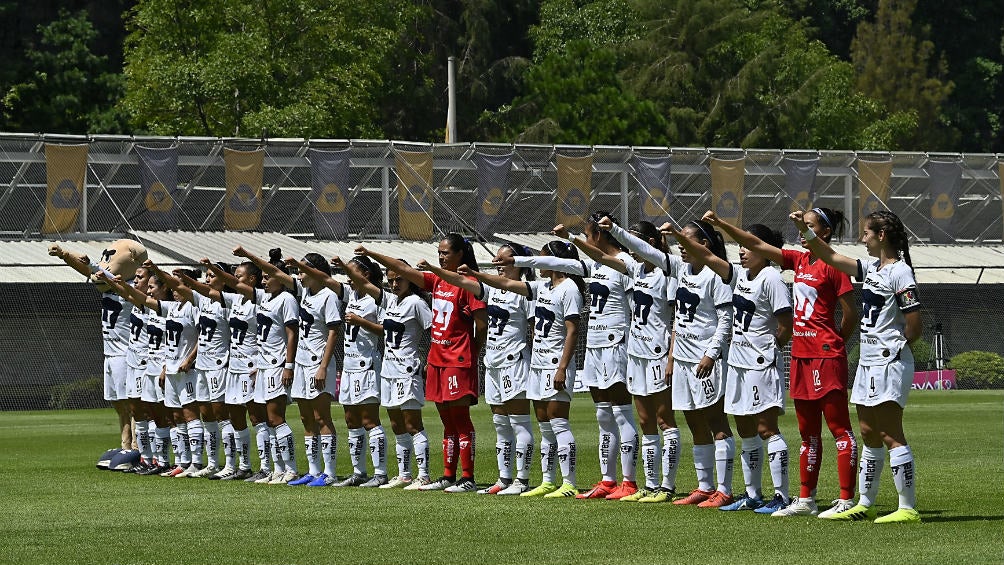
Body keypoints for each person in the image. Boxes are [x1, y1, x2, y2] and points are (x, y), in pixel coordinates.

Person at [704, 207, 859, 518]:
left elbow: (851, 311)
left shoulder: (834, 265)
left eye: (809, 227)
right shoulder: (799, 260)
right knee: (808, 432)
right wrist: (722, 224)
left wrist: (835, 340)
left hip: (824, 355)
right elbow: (757, 243)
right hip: (800, 355)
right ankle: (806, 499)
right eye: (801, 227)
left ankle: (846, 499)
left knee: (839, 429)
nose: (801, 232)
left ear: (824, 232)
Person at [790, 210, 922, 523]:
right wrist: (805, 232)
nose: (862, 239)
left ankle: (907, 508)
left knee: (891, 433)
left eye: (866, 233)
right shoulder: (872, 267)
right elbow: (831, 256)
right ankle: (865, 503)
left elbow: (915, 323)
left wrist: (895, 347)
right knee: (868, 432)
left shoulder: (900, 272)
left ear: (881, 236)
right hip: (867, 361)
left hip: (888, 361)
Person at [597, 218, 735, 508]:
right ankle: (705, 486)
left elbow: (725, 320)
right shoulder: (680, 268)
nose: (681, 247)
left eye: (686, 240)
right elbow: (643, 249)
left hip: (703, 359)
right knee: (694, 420)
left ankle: (724, 489)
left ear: (704, 244)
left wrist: (711, 353)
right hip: (683, 359)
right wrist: (614, 230)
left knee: (716, 421)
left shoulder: (715, 275)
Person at [662, 221, 794, 514]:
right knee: (745, 429)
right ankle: (752, 495)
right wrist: (677, 237)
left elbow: (786, 324)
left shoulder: (772, 278)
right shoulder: (740, 276)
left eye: (748, 246)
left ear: (764, 249)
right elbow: (708, 257)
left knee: (766, 428)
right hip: (737, 363)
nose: (743, 251)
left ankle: (782, 496)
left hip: (759, 365)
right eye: (740, 245)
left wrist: (769, 352)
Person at [518, 212, 639, 500]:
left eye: (586, 234)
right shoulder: (593, 266)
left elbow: (636, 311)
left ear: (598, 235)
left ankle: (629, 482)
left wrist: (569, 239)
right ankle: (607, 480)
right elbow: (558, 263)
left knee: (622, 414)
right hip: (595, 346)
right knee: (603, 416)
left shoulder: (624, 264)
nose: (585, 239)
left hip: (615, 344)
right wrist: (519, 261)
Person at [356, 233, 488, 493]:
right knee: (446, 420)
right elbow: (403, 269)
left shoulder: (469, 283)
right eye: (439, 252)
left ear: (460, 254)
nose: (441, 257)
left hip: (457, 359)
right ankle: (449, 476)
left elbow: (481, 324)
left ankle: (467, 477)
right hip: (437, 358)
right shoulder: (438, 280)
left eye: (446, 253)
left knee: (461, 418)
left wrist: (471, 351)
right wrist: (371, 254)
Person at [417, 243, 536, 495]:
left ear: (520, 264)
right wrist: (434, 269)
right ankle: (504, 479)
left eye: (503, 260)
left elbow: (537, 329)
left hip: (515, 362)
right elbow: (460, 280)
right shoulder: (490, 289)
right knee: (500, 423)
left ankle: (521, 480)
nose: (497, 263)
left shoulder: (527, 292)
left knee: (519, 423)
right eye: (495, 259)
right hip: (493, 362)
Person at [474, 240, 584, 497]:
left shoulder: (569, 289)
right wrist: (475, 273)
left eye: (544, 258)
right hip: (538, 364)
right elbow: (505, 284)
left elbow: (573, 331)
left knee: (559, 423)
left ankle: (569, 483)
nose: (539, 262)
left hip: (555, 364)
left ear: (555, 262)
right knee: (545, 425)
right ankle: (548, 480)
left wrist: (563, 367)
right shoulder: (542, 286)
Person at [585, 219, 682, 503]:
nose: (630, 248)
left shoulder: (668, 272)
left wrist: (672, 356)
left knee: (666, 421)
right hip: (635, 354)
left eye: (634, 241)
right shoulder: (636, 270)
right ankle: (650, 486)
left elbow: (676, 319)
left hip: (657, 353)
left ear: (649, 243)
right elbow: (602, 256)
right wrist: (573, 238)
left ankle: (667, 486)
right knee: (645, 421)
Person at [336, 257, 433, 490]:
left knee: (413, 424)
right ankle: (404, 474)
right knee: (397, 424)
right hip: (389, 369)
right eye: (391, 280)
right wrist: (345, 268)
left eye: (399, 278)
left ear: (410, 278)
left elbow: (433, 331)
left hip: (407, 369)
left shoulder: (417, 303)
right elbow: (363, 283)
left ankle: (424, 475)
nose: (394, 283)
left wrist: (429, 359)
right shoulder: (388, 300)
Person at [97, 264, 201, 478]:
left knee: (171, 417)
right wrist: (110, 280)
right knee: (145, 414)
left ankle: (180, 461)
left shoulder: (170, 309)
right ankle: (150, 459)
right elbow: (130, 293)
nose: (149, 289)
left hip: (162, 368)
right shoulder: (154, 306)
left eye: (153, 285)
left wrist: (169, 365)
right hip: (144, 367)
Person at [49, 244, 135, 456]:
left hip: (126, 353)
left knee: (133, 405)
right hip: (110, 352)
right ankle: (125, 445)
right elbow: (88, 270)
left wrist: (92, 266)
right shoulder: (108, 282)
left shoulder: (131, 286)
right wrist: (65, 255)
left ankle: (137, 447)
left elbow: (99, 274)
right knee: (119, 405)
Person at [177, 261, 258, 480]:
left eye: (212, 275)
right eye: (207, 275)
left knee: (226, 415)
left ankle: (235, 464)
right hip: (204, 366)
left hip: (221, 366)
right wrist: (178, 278)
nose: (208, 279)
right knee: (207, 414)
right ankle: (214, 463)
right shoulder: (205, 301)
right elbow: (192, 289)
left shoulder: (229, 302)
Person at [148, 263, 230, 478]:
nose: (175, 290)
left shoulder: (199, 305)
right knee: (181, 415)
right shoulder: (176, 307)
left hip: (203, 368)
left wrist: (190, 359)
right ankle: (187, 462)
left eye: (179, 286)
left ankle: (206, 462)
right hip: (186, 367)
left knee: (209, 415)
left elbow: (200, 337)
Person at [229, 246, 301, 484]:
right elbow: (236, 285)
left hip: (277, 365)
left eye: (269, 277)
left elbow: (292, 334)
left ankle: (291, 469)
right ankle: (277, 469)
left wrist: (288, 365)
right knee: (267, 421)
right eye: (264, 277)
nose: (265, 281)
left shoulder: (287, 299)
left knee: (276, 418)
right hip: (262, 365)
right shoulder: (265, 298)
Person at [316, 254, 388, 488]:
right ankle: (359, 472)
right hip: (349, 367)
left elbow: (385, 331)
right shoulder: (351, 295)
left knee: (369, 420)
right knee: (350, 420)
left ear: (365, 275)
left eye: (351, 273)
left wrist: (361, 322)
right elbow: (326, 280)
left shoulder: (377, 298)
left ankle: (380, 473)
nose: (347, 279)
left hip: (366, 366)